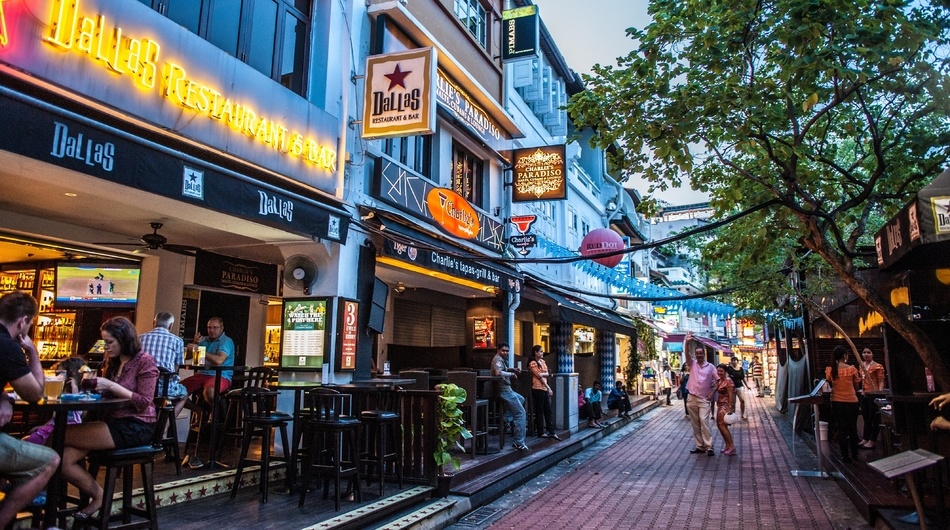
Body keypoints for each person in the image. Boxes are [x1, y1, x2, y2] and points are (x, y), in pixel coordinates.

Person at [62, 316, 158, 521]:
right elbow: (105, 395)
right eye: (104, 341)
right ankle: (98, 495)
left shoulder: (144, 361)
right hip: (112, 422)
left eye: (110, 342)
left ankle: (37, 492)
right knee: (62, 459)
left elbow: (144, 402)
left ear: (124, 339)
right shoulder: (111, 362)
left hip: (137, 425)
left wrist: (111, 386)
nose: (106, 347)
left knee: (57, 434)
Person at [0, 292, 59, 528]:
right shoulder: (8, 348)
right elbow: (35, 394)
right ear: (23, 321)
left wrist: (3, 396)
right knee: (49, 460)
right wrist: (32, 351)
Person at [178, 316, 235, 417]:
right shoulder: (203, 340)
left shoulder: (226, 341)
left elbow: (219, 360)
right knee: (176, 391)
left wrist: (200, 349)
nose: (211, 330)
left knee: (210, 392)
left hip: (221, 375)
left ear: (222, 328)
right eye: (209, 328)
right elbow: (186, 358)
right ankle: (199, 411)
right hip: (202, 374)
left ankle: (214, 417)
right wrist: (195, 343)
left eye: (215, 327)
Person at [140, 311, 187, 400]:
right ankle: (169, 413)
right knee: (184, 393)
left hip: (142, 388)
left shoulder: (140, 338)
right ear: (171, 325)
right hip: (166, 390)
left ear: (154, 323)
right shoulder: (178, 341)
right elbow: (176, 367)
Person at [826, 345, 861, 463]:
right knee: (852, 428)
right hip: (851, 401)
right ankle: (855, 454)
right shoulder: (851, 369)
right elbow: (856, 386)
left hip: (836, 401)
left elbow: (830, 385)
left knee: (842, 429)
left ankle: (845, 456)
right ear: (845, 356)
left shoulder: (831, 370)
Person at [491, 343, 529, 451]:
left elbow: (503, 370)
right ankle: (519, 442)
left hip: (507, 389)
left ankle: (505, 419)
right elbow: (498, 372)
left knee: (521, 399)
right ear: (498, 350)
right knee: (520, 413)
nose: (505, 353)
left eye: (507, 351)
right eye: (503, 350)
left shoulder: (501, 360)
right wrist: (511, 375)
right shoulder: (497, 359)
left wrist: (512, 370)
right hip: (503, 390)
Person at [685, 341, 718, 456]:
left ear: (704, 354)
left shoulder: (710, 367)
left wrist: (712, 392)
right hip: (691, 397)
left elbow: (718, 381)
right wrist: (687, 342)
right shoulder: (692, 364)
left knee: (704, 421)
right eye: (697, 353)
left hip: (703, 399)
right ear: (695, 354)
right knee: (695, 423)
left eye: (701, 353)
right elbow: (686, 353)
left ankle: (709, 446)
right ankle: (699, 446)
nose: (699, 355)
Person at [527, 345, 560, 440]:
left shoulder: (543, 362)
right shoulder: (533, 363)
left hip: (544, 387)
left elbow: (545, 373)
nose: (542, 353)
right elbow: (539, 376)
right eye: (540, 351)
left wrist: (546, 374)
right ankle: (541, 432)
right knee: (540, 411)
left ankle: (551, 431)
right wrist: (548, 385)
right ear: (535, 353)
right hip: (537, 388)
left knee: (548, 410)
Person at [858, 347, 885, 449]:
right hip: (864, 394)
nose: (866, 354)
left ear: (873, 354)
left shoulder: (877, 366)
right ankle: (865, 438)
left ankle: (872, 440)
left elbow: (881, 380)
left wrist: (879, 393)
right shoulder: (862, 366)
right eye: (864, 352)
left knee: (874, 418)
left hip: (874, 394)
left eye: (868, 352)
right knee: (866, 417)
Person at [715, 364, 737, 455]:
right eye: (718, 371)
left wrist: (730, 407)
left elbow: (731, 395)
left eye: (721, 371)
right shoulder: (720, 381)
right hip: (720, 404)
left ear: (725, 372)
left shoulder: (728, 382)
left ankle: (731, 446)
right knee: (720, 425)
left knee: (722, 425)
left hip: (725, 405)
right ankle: (727, 445)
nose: (719, 373)